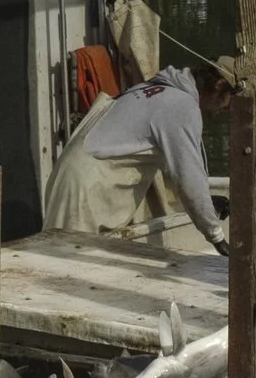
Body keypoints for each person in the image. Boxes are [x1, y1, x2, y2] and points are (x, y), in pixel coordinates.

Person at [43, 61, 234, 252]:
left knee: (63, 257)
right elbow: (189, 179)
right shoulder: (183, 106)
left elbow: (173, 167)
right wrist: (216, 236)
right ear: (218, 85)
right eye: (230, 101)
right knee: (66, 261)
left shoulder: (154, 88)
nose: (227, 110)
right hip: (85, 188)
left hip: (72, 173)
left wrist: (206, 204)